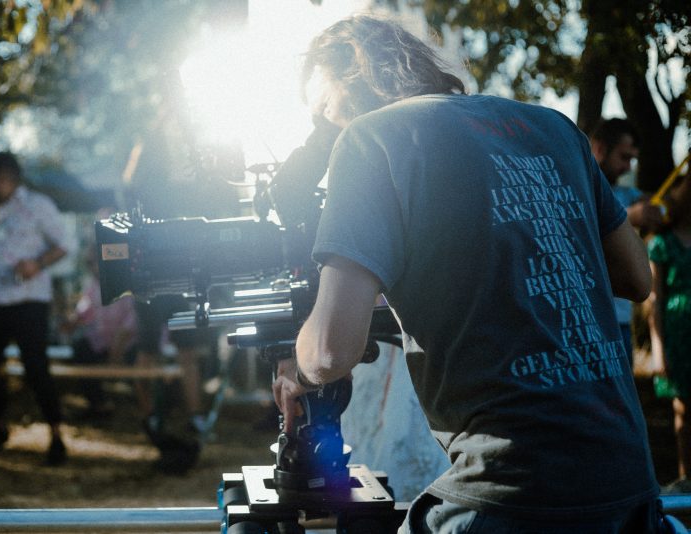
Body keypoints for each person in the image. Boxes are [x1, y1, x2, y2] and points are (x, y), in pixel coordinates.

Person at [271, 15, 662, 533]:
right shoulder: (554, 127)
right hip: (629, 485)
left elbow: (328, 354)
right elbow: (637, 277)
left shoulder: (370, 138)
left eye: (322, 111)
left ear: (352, 79)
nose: (323, 132)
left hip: (508, 491)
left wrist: (296, 373)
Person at [0, 151, 73, 465]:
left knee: (36, 368)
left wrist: (37, 264)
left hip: (28, 301)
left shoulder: (37, 205)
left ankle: (56, 436)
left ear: (4, 177)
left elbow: (65, 244)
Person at [590, 118, 665, 364]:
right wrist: (628, 217)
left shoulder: (627, 193)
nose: (628, 167)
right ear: (600, 148)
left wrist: (660, 209)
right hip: (589, 318)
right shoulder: (580, 188)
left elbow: (663, 208)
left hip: (621, 319)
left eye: (632, 159)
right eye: (624, 157)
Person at [648, 172, 691, 491]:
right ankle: (685, 476)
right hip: (679, 333)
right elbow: (655, 299)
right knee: (684, 408)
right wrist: (658, 349)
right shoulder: (661, 244)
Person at [63, 244, 138, 417]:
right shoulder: (94, 284)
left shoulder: (127, 282)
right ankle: (98, 404)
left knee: (141, 357)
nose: (91, 266)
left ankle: (143, 405)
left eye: (95, 261)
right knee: (81, 348)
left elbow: (131, 324)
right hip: (105, 341)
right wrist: (72, 321)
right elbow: (84, 310)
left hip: (130, 343)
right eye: (89, 262)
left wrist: (117, 350)